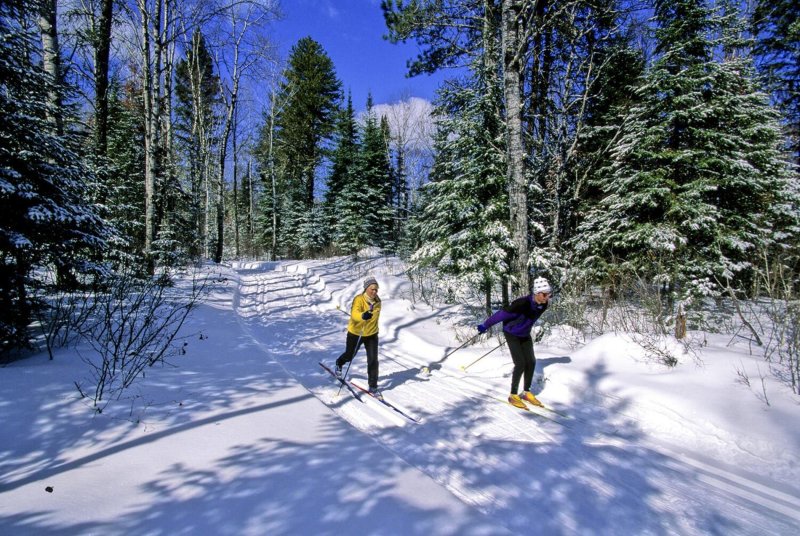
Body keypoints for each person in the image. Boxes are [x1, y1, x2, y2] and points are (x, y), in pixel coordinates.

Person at [477, 277, 552, 409]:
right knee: (520, 363)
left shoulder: (544, 304)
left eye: (549, 294)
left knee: (531, 362)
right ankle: (513, 395)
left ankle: (526, 392)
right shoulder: (521, 304)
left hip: (525, 334)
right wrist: (485, 325)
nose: (547, 297)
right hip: (511, 333)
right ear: (537, 293)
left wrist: (523, 326)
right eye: (545, 294)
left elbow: (530, 318)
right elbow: (501, 315)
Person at [335, 277, 383, 397]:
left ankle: (373, 386)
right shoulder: (358, 299)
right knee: (350, 355)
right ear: (366, 288)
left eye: (376, 290)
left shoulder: (378, 302)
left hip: (371, 334)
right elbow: (355, 314)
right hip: (356, 333)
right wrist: (363, 315)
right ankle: (339, 363)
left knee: (373, 360)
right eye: (372, 289)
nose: (375, 292)